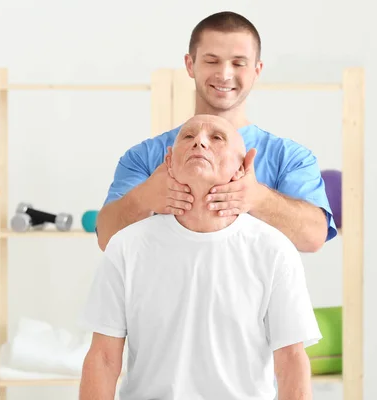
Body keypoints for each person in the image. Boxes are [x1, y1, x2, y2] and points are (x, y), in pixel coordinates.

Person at [79, 114, 321, 400]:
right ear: (168, 161)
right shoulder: (126, 247)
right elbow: (103, 359)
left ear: (243, 167)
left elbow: (291, 362)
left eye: (216, 138)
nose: (200, 142)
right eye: (188, 137)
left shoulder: (275, 251)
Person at [95, 11, 336, 253]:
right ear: (190, 65)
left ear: (257, 70)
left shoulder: (290, 158)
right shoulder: (144, 157)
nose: (224, 74)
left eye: (238, 63)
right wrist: (144, 198)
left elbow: (314, 237)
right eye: (212, 61)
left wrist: (258, 198)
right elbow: (106, 238)